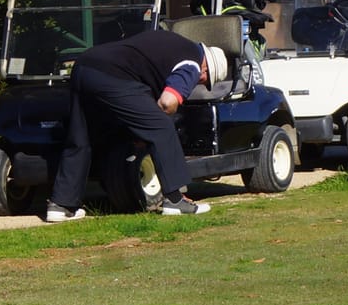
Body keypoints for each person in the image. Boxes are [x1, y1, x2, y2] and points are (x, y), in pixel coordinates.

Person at [44, 28, 229, 221]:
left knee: (81, 137)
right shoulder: (192, 64)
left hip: (84, 67)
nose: (200, 83)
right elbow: (167, 102)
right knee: (162, 126)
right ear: (206, 69)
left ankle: (61, 205)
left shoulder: (172, 42)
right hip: (114, 75)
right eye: (205, 81)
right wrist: (149, 127)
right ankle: (175, 200)